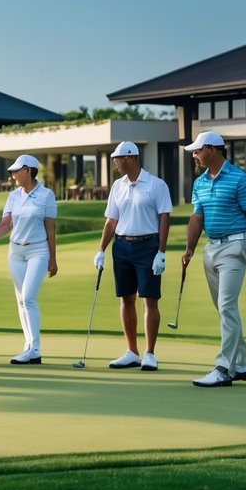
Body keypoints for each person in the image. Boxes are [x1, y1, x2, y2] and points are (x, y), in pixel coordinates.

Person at [180, 131, 246, 388]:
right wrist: (189, 249)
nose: (194, 155)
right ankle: (244, 364)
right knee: (225, 309)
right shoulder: (200, 182)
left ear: (213, 149)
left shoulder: (239, 179)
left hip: (235, 246)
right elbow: (197, 217)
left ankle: (224, 368)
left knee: (226, 306)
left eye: (197, 150)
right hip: (210, 249)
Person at [93, 141, 172, 372]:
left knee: (149, 299)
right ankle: (132, 352)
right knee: (126, 298)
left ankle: (149, 353)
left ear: (130, 158)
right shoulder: (118, 186)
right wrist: (101, 249)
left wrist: (161, 252)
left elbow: (164, 218)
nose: (115, 162)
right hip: (122, 246)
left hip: (148, 245)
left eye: (117, 158)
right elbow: (111, 221)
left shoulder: (156, 185)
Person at [0, 154, 57, 365]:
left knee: (29, 297)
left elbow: (51, 229)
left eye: (16, 171)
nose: (12, 174)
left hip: (38, 251)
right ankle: (28, 345)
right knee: (21, 300)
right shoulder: (13, 196)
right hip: (15, 253)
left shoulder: (46, 196)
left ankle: (35, 349)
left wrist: (53, 258)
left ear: (28, 170)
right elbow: (5, 224)